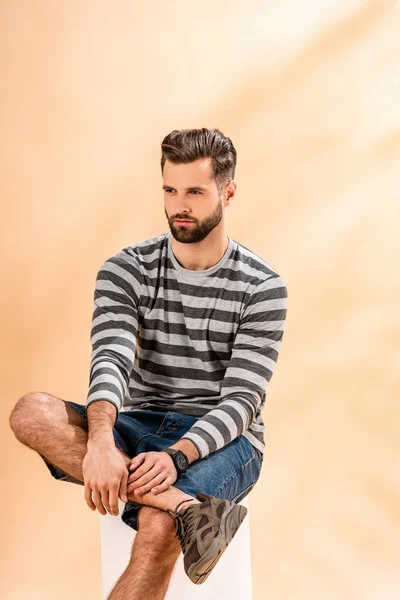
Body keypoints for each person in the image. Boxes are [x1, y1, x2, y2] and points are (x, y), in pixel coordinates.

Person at [9, 127, 288, 598]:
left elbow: (242, 402)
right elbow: (111, 358)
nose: (179, 204)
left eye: (195, 192)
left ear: (229, 192)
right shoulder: (127, 269)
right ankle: (189, 509)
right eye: (170, 189)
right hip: (139, 424)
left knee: (157, 529)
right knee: (30, 411)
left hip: (224, 439)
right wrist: (100, 440)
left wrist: (178, 455)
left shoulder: (262, 287)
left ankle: (170, 510)